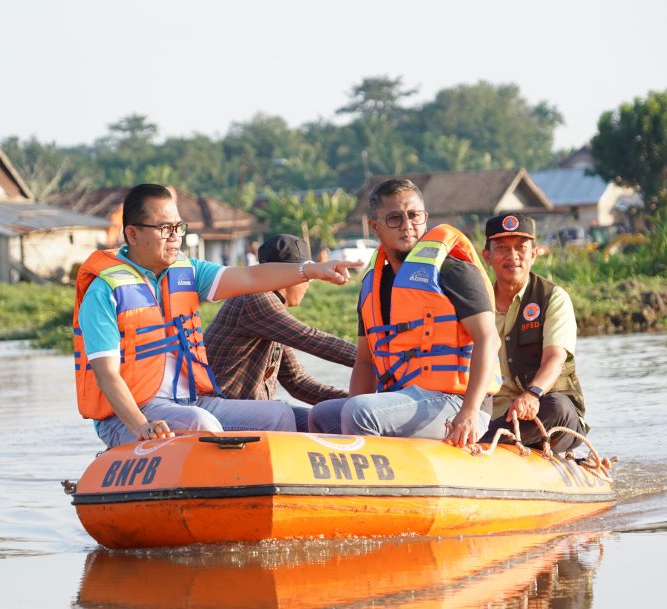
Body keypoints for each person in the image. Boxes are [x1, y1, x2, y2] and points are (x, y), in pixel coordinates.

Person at [73, 183, 361, 448]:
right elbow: (106, 374)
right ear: (132, 233)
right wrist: (141, 425)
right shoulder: (104, 292)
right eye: (164, 229)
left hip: (190, 401)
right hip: (129, 417)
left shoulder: (188, 271)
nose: (175, 238)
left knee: (279, 416)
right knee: (202, 424)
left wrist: (310, 269)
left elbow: (249, 277)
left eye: (178, 227)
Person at [308, 177, 501, 449]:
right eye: (394, 218)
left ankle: (373, 487)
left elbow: (488, 339)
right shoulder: (372, 287)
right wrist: (350, 411)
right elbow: (365, 361)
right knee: (324, 416)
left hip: (457, 402)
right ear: (375, 227)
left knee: (360, 412)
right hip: (402, 399)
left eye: (414, 216)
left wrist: (468, 412)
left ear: (425, 218)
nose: (407, 225)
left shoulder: (453, 270)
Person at [204, 234, 357, 432]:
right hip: (221, 410)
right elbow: (310, 338)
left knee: (319, 419)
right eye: (307, 276)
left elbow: (297, 382)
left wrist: (356, 399)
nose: (308, 284)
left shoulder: (270, 313)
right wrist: (375, 360)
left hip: (246, 409)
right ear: (288, 276)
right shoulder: (256, 298)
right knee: (288, 416)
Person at [479, 213, 587, 452]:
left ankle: (482, 444)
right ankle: (487, 439)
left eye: (521, 248)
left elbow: (554, 357)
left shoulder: (552, 298)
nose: (513, 256)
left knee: (557, 407)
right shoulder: (476, 302)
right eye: (502, 249)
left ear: (534, 253)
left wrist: (532, 394)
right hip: (491, 413)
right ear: (487, 256)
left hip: (545, 408)